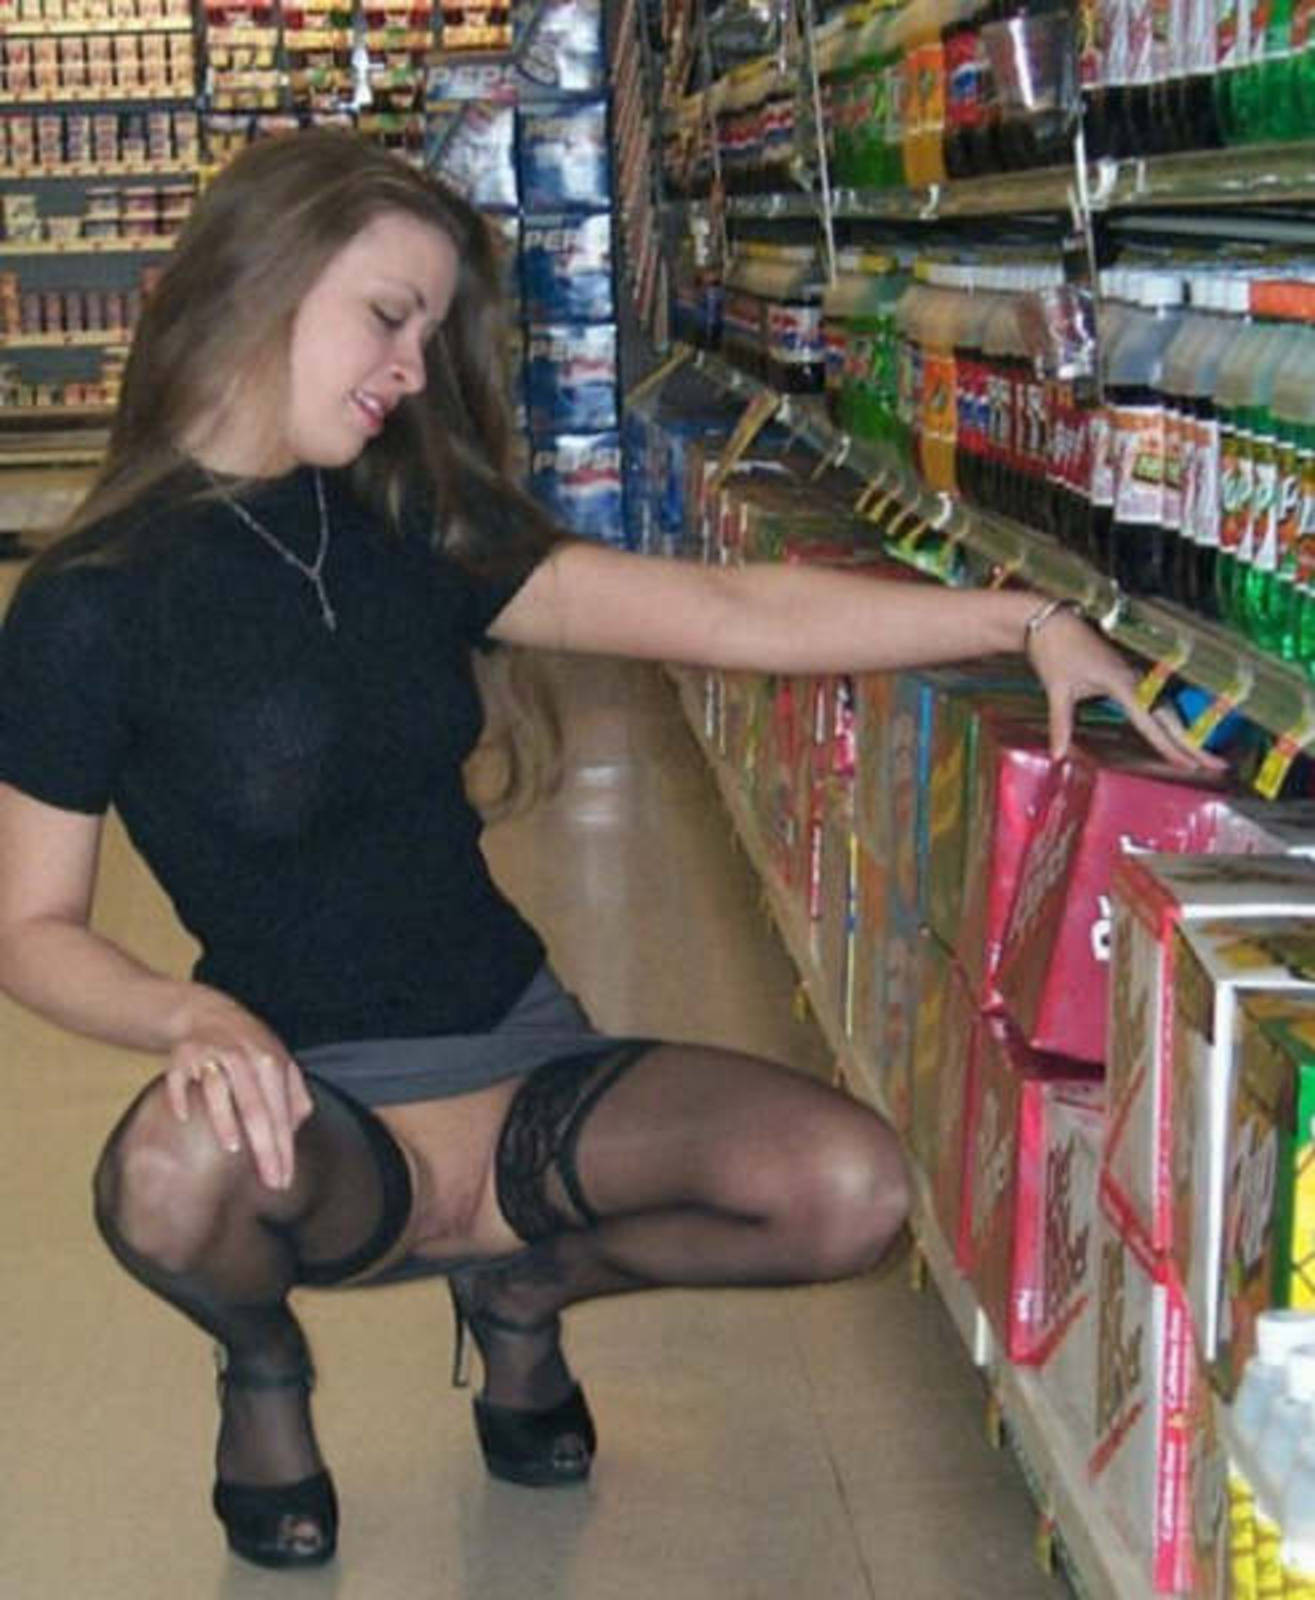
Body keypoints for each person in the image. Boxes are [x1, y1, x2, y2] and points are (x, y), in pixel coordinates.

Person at [0, 129, 1215, 1573]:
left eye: (430, 332)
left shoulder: (410, 521)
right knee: (167, 1175)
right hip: (318, 1116)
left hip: (521, 1067)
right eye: (388, 316)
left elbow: (727, 613)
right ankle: (262, 1363)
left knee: (849, 1191)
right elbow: (31, 927)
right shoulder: (89, 607)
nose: (412, 368)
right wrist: (184, 1018)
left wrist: (1021, 621)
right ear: (257, 281)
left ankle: (521, 1293)